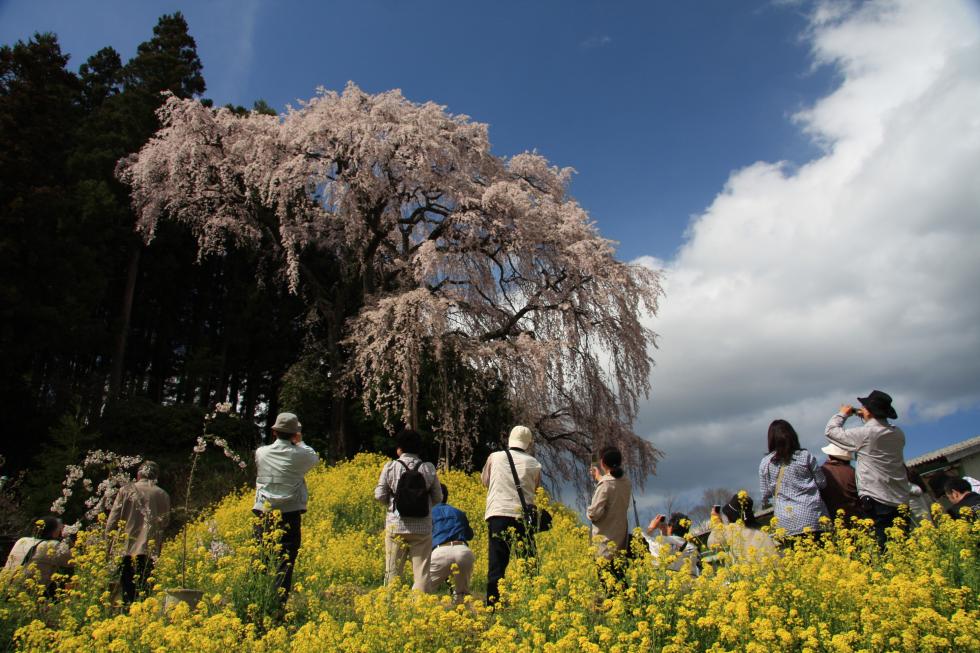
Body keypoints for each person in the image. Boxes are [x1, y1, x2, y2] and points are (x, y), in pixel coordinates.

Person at [825, 390, 908, 548]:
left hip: (877, 499)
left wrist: (842, 414)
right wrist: (865, 415)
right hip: (900, 498)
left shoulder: (866, 434)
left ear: (868, 411)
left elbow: (831, 432)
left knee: (883, 548)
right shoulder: (898, 433)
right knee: (902, 546)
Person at [252, 412, 319, 610]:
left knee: (260, 558)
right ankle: (277, 605)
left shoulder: (261, 453)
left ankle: (256, 602)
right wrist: (300, 441)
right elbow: (313, 458)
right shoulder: (301, 454)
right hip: (290, 513)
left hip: (263, 511)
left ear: (274, 431)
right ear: (294, 433)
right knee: (285, 561)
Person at [481, 425, 542, 606]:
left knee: (497, 564)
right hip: (523, 517)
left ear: (510, 440)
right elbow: (536, 488)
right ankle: (531, 602)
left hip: (498, 513)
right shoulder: (534, 463)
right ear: (528, 444)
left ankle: (493, 604)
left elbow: (485, 481)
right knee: (527, 562)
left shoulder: (495, 457)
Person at [375, 428, 442, 592]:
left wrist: (393, 505)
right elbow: (438, 497)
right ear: (419, 449)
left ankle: (391, 604)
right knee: (421, 573)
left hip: (396, 525)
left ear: (399, 449)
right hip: (422, 528)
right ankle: (418, 607)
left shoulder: (391, 467)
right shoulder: (428, 468)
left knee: (392, 571)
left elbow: (379, 495)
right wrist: (423, 506)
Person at [106, 461, 171, 604]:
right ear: (156, 476)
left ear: (138, 474)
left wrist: (108, 544)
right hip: (149, 548)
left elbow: (112, 520)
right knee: (145, 589)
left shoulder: (125, 490)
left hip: (126, 547)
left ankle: (129, 613)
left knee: (127, 590)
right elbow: (165, 522)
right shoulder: (162, 494)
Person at [759, 420, 829, 545]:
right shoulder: (805, 456)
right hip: (811, 516)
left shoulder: (766, 463)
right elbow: (822, 482)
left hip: (785, 522)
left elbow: (765, 493)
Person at [586, 446, 632, 584]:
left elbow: (594, 513)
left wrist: (601, 480)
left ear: (602, 463)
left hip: (604, 544)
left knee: (608, 584)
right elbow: (613, 487)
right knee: (619, 582)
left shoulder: (605, 484)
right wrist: (600, 477)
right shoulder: (626, 482)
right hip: (621, 542)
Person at [428, 483, 475, 603]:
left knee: (420, 590)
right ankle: (464, 617)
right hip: (463, 551)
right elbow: (470, 535)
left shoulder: (428, 514)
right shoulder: (458, 512)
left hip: (440, 551)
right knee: (462, 594)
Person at [3, 515, 72, 597]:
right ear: (54, 531)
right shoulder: (53, 546)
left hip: (5, 586)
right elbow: (73, 561)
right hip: (26, 593)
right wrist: (68, 537)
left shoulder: (22, 540)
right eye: (59, 529)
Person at [707, 494, 777, 563]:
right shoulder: (762, 530)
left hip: (747, 572)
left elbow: (712, 545)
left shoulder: (732, 530)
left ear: (730, 516)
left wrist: (716, 521)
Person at [644, 512, 700, 577]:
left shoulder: (659, 543)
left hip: (668, 585)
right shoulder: (693, 548)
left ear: (670, 528)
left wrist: (651, 528)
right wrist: (665, 533)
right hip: (690, 585)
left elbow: (644, 541)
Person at [819, 442, 861, 522]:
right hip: (854, 517)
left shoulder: (821, 471)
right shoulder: (854, 472)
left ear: (830, 456)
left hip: (829, 518)